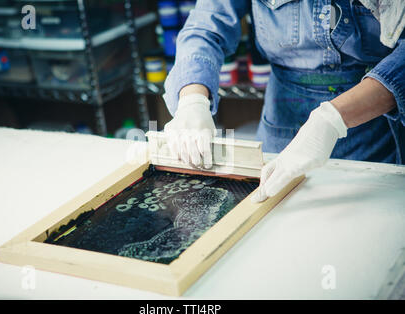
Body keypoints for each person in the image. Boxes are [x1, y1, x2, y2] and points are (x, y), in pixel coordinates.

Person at [161, 0, 404, 202]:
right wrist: (192, 100)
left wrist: (331, 120)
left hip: (374, 119)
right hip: (283, 118)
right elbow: (207, 26)